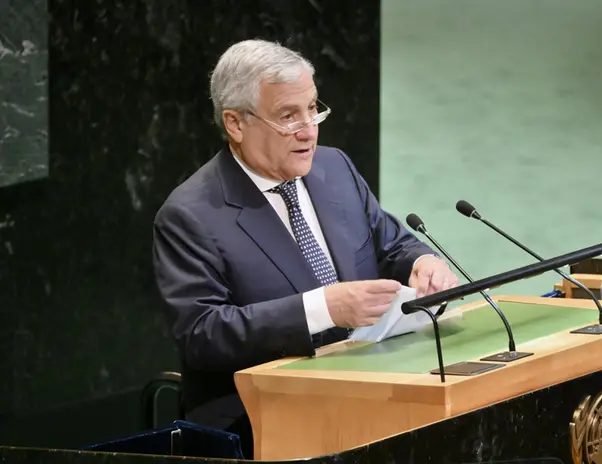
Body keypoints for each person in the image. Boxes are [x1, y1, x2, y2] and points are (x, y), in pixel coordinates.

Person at [151, 39, 459, 457]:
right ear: (236, 124)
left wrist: (421, 262)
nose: (309, 129)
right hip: (262, 425)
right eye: (288, 116)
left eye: (313, 109)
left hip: (374, 394)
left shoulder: (335, 167)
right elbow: (203, 333)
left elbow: (390, 244)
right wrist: (322, 309)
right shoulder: (190, 215)